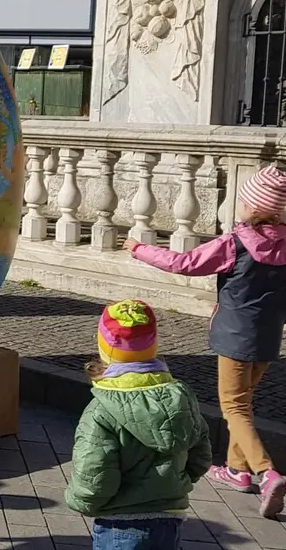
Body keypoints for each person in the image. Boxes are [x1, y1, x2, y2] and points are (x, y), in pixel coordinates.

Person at [126, 164, 286, 518]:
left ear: (251, 206)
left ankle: (267, 472)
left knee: (234, 407)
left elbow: (185, 262)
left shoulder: (237, 242)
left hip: (234, 337)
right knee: (245, 403)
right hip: (268, 339)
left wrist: (140, 249)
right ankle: (236, 470)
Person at [64, 299, 211, 549]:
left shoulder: (101, 409)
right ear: (153, 344)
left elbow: (94, 472)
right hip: (169, 518)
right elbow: (201, 455)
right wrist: (175, 482)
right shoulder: (181, 396)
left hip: (120, 524)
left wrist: (80, 501)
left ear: (104, 347)